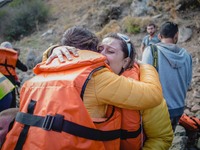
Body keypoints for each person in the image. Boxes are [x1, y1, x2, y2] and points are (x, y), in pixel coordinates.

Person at [2, 27, 163, 150]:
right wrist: (147, 66)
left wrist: (52, 51)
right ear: (92, 51)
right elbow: (153, 94)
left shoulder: (37, 76)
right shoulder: (97, 77)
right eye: (100, 50)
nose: (103, 57)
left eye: (111, 51)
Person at [45, 28, 173, 149]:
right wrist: (55, 50)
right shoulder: (88, 78)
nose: (101, 55)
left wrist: (146, 67)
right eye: (100, 49)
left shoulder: (143, 90)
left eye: (110, 51)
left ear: (126, 62)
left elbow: (162, 138)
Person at [142, 21, 193, 131]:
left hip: (157, 111)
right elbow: (188, 83)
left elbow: (143, 82)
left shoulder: (151, 51)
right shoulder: (187, 56)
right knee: (169, 139)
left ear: (159, 36)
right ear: (176, 36)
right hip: (179, 109)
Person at [0, 41, 28, 108]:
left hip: (1, 79)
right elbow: (24, 68)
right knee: (12, 102)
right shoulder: (13, 56)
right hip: (11, 80)